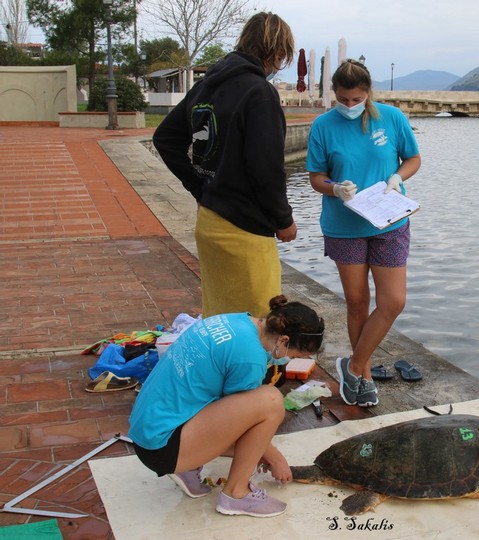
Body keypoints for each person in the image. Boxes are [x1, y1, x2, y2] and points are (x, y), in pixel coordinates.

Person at [152, 12, 297, 318]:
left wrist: (200, 187)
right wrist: (283, 220)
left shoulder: (207, 86)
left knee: (218, 318)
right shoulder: (260, 93)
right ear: (278, 52)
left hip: (210, 221)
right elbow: (267, 169)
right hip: (246, 229)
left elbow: (165, 137)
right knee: (259, 322)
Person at [128, 295, 324, 517]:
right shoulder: (250, 358)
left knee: (254, 434)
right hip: (162, 447)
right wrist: (275, 457)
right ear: (283, 341)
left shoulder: (237, 321)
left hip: (148, 431)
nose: (289, 360)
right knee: (271, 402)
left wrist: (262, 451)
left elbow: (226, 413)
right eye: (296, 355)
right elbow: (243, 424)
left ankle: (188, 467)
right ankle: (236, 494)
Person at [306, 59, 421, 408]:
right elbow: (316, 177)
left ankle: (352, 365)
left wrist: (398, 177)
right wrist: (335, 188)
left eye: (356, 99)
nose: (350, 106)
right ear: (334, 94)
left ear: (368, 93)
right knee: (357, 302)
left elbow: (412, 159)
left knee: (393, 301)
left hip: (389, 221)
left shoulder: (392, 118)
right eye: (343, 99)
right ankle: (365, 375)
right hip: (345, 226)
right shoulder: (323, 126)